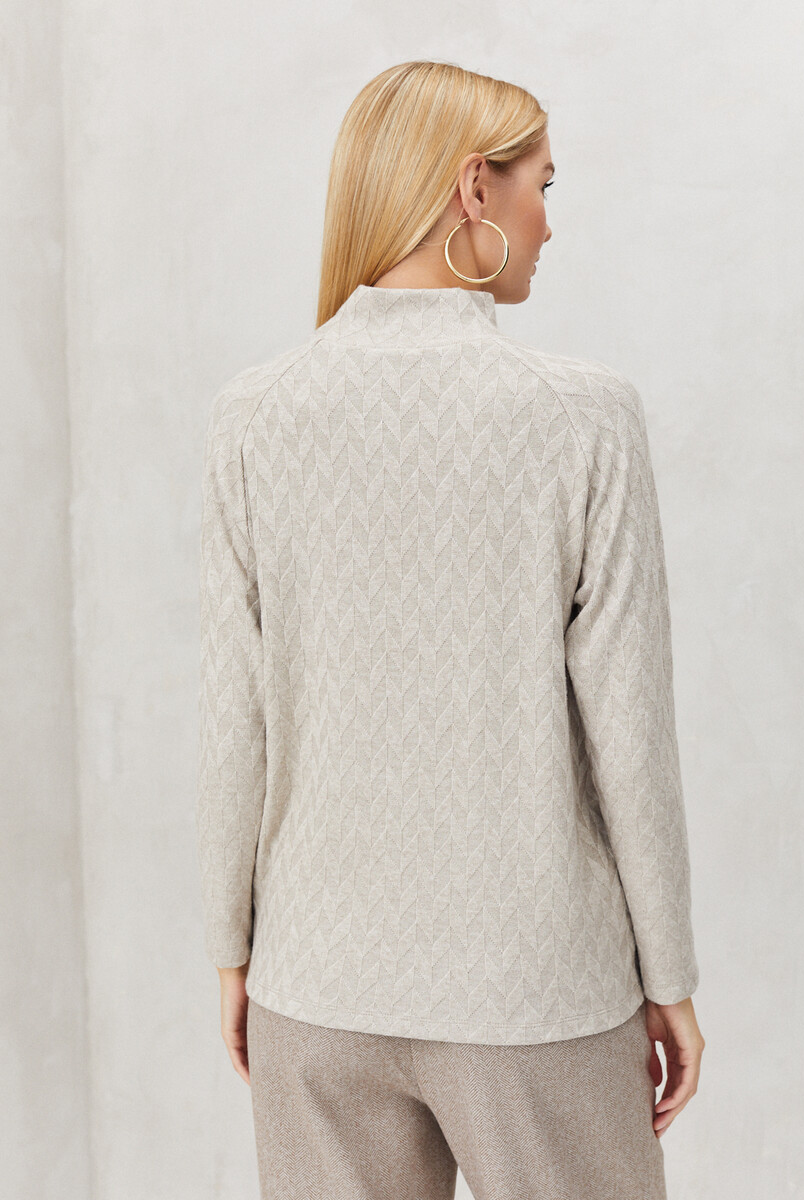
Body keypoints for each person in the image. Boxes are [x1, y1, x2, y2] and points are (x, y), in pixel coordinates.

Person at [197, 58, 705, 1200]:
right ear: (476, 189)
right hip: (534, 991)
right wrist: (669, 975)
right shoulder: (583, 417)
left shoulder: (253, 418)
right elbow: (630, 730)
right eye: (542, 185)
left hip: (313, 989)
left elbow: (234, 722)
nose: (550, 223)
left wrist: (232, 953)